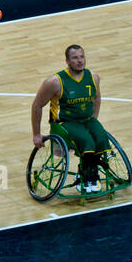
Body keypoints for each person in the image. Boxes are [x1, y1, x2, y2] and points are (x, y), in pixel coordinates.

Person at [31, 44, 108, 193]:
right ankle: (86, 175)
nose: (80, 61)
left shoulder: (93, 77)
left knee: (100, 137)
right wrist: (36, 134)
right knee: (87, 141)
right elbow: (37, 106)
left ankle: (89, 171)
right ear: (67, 60)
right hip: (64, 123)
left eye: (82, 57)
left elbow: (97, 98)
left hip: (86, 120)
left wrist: (94, 119)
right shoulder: (55, 81)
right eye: (75, 58)